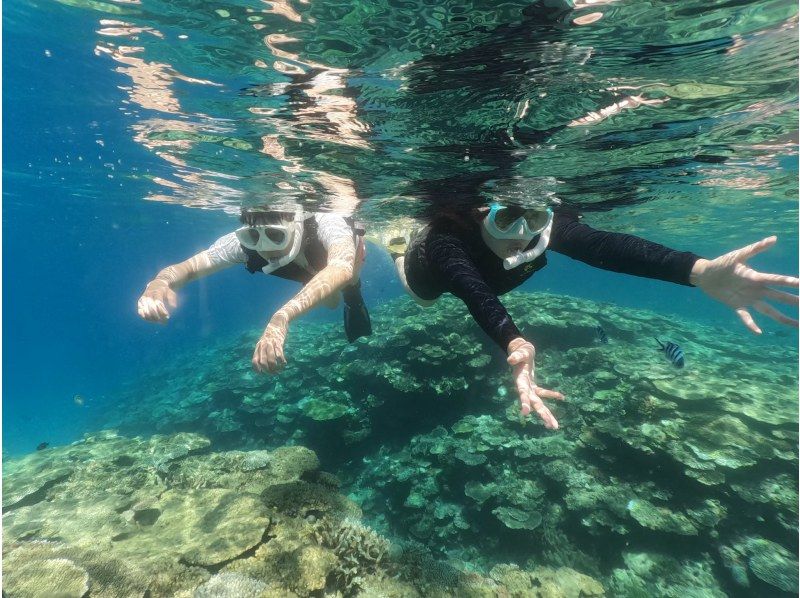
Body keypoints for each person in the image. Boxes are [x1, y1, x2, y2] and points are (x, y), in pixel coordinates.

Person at [391, 202, 799, 430]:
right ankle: (395, 243)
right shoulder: (449, 241)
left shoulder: (541, 229)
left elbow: (605, 246)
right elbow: (471, 288)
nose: (520, 232)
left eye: (533, 218)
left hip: (497, 278)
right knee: (423, 297)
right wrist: (514, 340)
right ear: (479, 211)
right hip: (429, 271)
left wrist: (698, 271)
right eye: (504, 218)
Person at [137, 208, 372, 373]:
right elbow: (188, 268)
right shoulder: (247, 242)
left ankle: (356, 290)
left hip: (341, 261)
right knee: (328, 300)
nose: (264, 248)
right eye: (253, 237)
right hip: (308, 269)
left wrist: (281, 318)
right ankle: (326, 286)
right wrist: (160, 282)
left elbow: (341, 267)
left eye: (276, 235)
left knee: (347, 282)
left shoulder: (327, 221)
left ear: (296, 226)